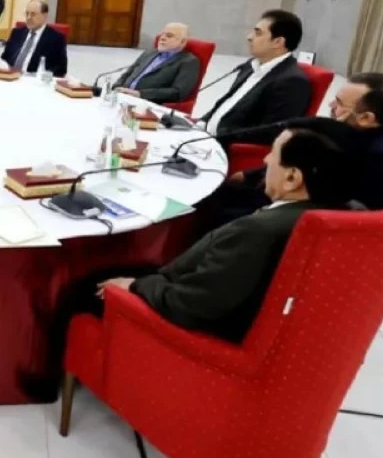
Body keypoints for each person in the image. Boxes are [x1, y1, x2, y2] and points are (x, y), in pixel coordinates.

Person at [98, 128, 349, 340]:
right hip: (230, 304)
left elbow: (192, 305)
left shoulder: (258, 231)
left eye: (273, 153)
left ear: (292, 178)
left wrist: (136, 285)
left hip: (189, 321)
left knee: (89, 284)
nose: (265, 160)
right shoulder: (331, 219)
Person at [226, 74, 383, 214]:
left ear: (366, 118)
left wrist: (329, 126)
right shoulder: (348, 134)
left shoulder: (374, 157)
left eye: (339, 103)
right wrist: (249, 175)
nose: (331, 105)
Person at [200, 10, 311, 144]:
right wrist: (200, 123)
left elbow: (270, 133)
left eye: (258, 33)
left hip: (225, 147)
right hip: (204, 136)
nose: (249, 37)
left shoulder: (292, 82)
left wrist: (213, 137)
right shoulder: (250, 66)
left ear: (278, 42)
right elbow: (227, 104)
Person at [112, 22, 200, 104]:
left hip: (146, 103)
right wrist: (116, 86)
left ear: (182, 42)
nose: (162, 38)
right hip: (121, 97)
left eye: (169, 36)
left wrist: (139, 94)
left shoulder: (188, 61)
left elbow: (178, 92)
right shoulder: (150, 52)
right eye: (162, 34)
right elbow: (128, 73)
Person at [0, 0, 68, 76]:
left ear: (44, 16)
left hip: (33, 79)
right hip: (9, 76)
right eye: (27, 14)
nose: (28, 17)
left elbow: (61, 69)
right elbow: (5, 57)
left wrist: (42, 77)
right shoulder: (17, 33)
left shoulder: (56, 38)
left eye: (33, 14)